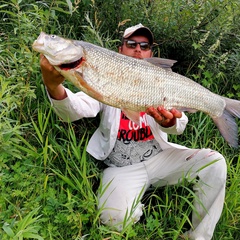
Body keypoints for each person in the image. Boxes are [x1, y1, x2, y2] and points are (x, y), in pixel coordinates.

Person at [40, 23, 227, 240]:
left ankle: (198, 236)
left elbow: (180, 124)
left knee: (215, 162)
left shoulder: (159, 80)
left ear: (150, 53)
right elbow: (73, 110)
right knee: (113, 219)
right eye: (131, 44)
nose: (138, 49)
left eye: (144, 45)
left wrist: (168, 124)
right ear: (120, 50)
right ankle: (133, 201)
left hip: (162, 158)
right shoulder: (105, 75)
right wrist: (53, 87)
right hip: (121, 167)